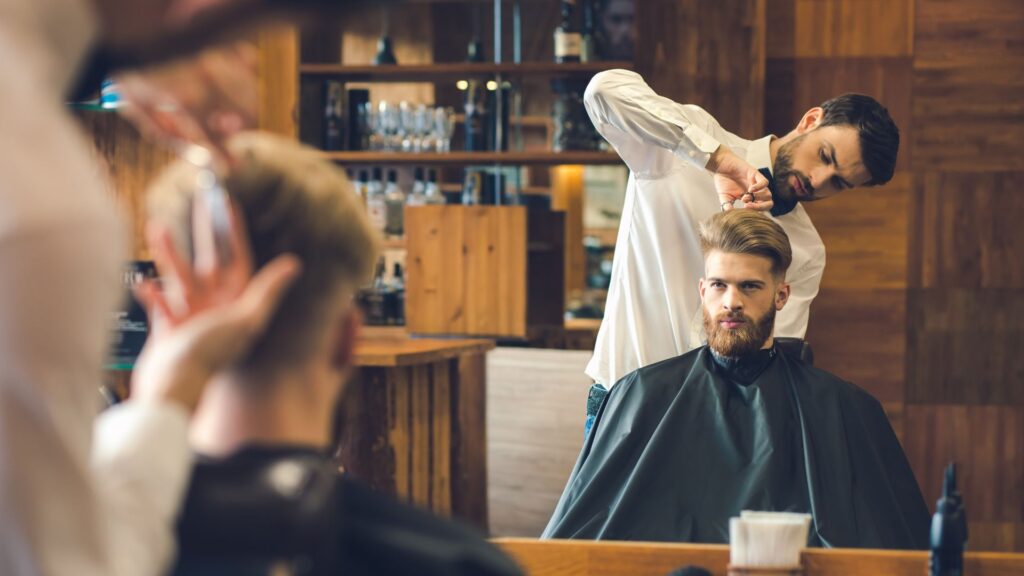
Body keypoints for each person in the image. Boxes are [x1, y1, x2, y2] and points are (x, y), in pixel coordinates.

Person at [0, 0, 374, 573]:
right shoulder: (42, 208)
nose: (236, 47)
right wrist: (165, 396)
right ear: (347, 336)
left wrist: (115, 50)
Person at [142, 133, 522, 576]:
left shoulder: (88, 541)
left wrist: (156, 402)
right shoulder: (458, 564)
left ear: (164, 325)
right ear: (347, 337)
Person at [542, 210, 930, 549]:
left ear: (781, 295)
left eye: (750, 286)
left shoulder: (842, 408)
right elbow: (574, 538)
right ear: (703, 290)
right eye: (719, 285)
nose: (731, 301)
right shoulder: (641, 393)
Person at [582, 69, 901, 433]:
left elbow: (769, 362)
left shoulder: (806, 251)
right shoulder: (691, 143)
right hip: (622, 404)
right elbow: (603, 92)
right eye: (824, 156)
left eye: (838, 183)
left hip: (709, 425)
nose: (817, 181)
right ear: (811, 120)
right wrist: (717, 160)